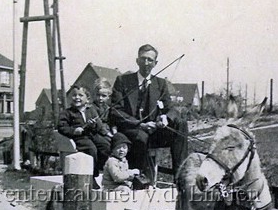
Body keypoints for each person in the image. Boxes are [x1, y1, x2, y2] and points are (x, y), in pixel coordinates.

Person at [109, 44, 188, 184]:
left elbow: (171, 108)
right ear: (137, 61)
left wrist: (165, 118)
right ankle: (143, 179)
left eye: (150, 60)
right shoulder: (123, 81)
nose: (146, 63)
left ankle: (181, 175)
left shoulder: (161, 83)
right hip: (132, 131)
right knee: (141, 136)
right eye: (143, 59)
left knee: (181, 124)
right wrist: (141, 124)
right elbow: (115, 111)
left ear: (155, 63)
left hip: (154, 131)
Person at [58, 84, 111, 188]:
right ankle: (92, 177)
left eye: (80, 95)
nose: (77, 98)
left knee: (105, 146)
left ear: (87, 98)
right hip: (79, 138)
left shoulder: (90, 110)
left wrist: (93, 125)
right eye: (74, 95)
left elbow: (99, 126)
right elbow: (61, 127)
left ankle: (102, 172)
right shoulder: (67, 113)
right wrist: (74, 131)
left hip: (91, 135)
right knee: (91, 149)